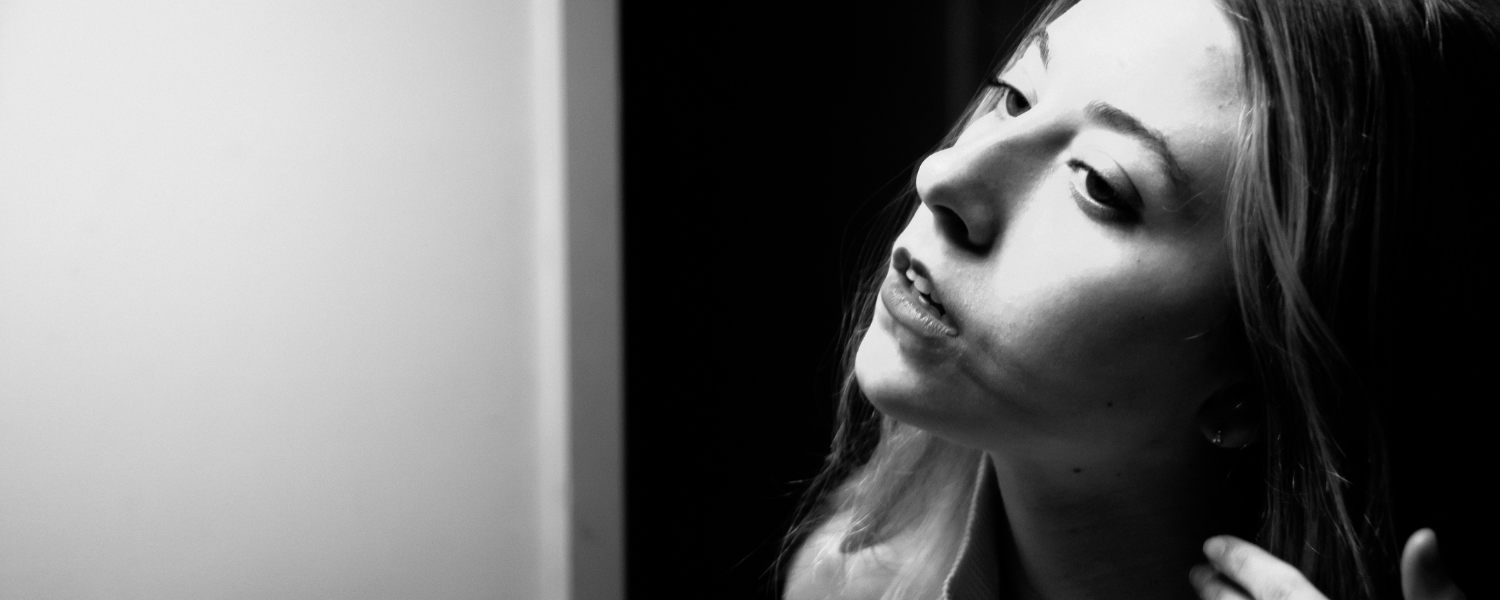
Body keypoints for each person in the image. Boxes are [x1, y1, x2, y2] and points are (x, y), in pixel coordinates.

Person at [781, 0, 1499, 598]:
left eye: (1099, 183)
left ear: (1249, 390)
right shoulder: (849, 584)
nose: (943, 174)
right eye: (1015, 98)